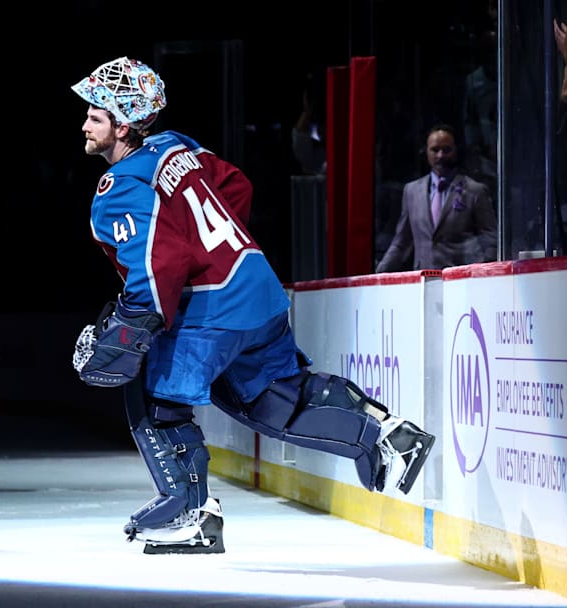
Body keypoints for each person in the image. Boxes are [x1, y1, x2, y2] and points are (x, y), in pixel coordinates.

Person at [69, 57, 436, 554]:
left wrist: (133, 327)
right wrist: (219, 254)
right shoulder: (177, 147)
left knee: (153, 393)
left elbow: (160, 264)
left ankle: (188, 513)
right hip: (256, 285)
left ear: (124, 123)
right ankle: (386, 435)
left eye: (95, 115)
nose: (84, 124)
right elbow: (236, 185)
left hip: (211, 309)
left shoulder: (119, 188)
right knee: (275, 397)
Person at [375, 124, 497, 272]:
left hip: (460, 282)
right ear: (425, 151)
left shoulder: (475, 191)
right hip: (423, 282)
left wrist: (480, 272)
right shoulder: (411, 191)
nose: (440, 155)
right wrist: (379, 273)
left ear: (456, 151)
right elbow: (402, 242)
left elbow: (490, 239)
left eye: (446, 150)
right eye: (435, 150)